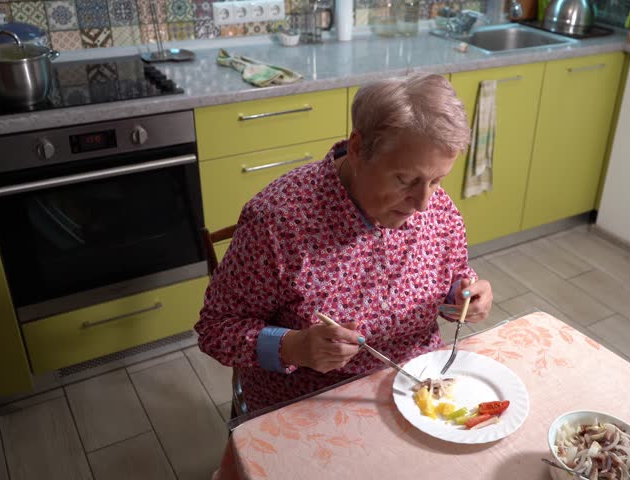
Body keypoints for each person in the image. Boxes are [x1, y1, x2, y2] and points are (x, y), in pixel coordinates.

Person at [195, 73, 493, 414]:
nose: (424, 203)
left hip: (419, 387)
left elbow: (450, 273)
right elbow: (215, 329)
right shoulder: (278, 222)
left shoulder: (437, 209)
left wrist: (461, 294)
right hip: (311, 401)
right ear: (356, 149)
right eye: (405, 180)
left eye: (437, 180)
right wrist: (293, 347)